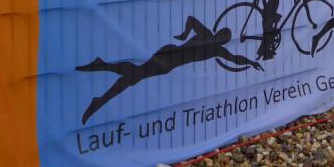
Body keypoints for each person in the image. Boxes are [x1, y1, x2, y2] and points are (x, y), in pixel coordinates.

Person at [76, 16, 263, 124]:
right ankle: (101, 96)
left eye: (224, 39)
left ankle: (103, 69)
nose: (221, 39)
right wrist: (184, 34)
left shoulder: (217, 49)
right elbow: (191, 20)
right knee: (134, 76)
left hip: (169, 62)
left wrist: (251, 62)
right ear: (218, 33)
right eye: (222, 35)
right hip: (168, 57)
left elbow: (235, 58)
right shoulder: (209, 37)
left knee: (135, 74)